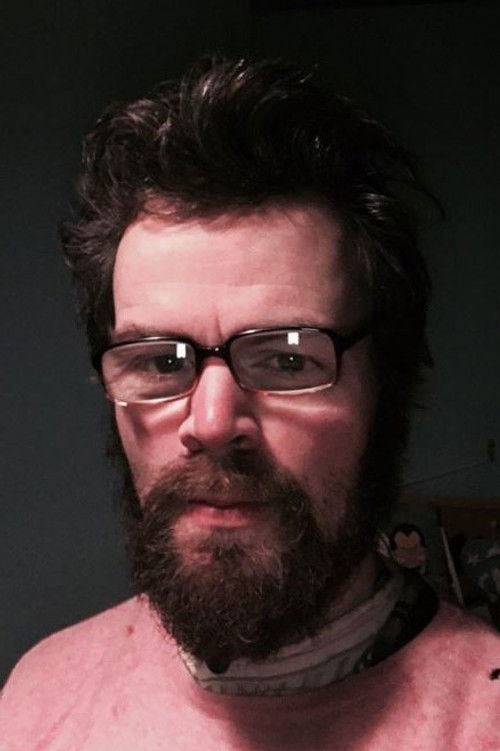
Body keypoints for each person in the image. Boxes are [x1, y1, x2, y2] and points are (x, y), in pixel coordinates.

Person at [1, 57, 498, 750]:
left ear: (391, 384)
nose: (210, 423)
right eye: (159, 361)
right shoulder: (34, 700)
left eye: (289, 359)